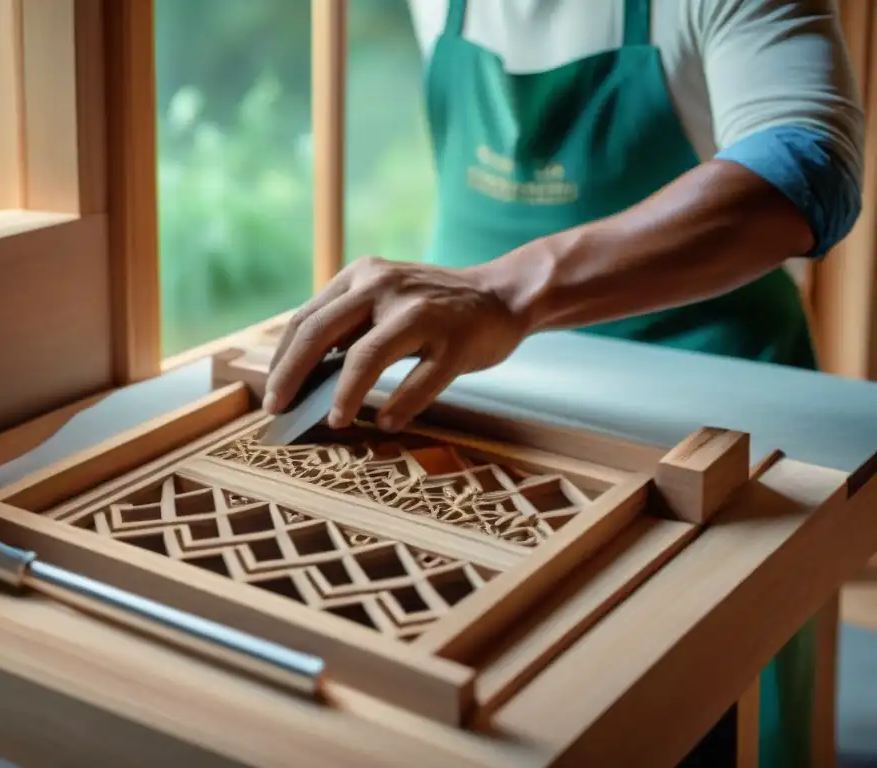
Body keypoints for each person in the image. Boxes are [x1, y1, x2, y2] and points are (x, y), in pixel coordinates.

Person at [263, 1, 864, 765]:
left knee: (712, 712)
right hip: (481, 393)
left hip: (710, 405)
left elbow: (808, 165)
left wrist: (506, 293)